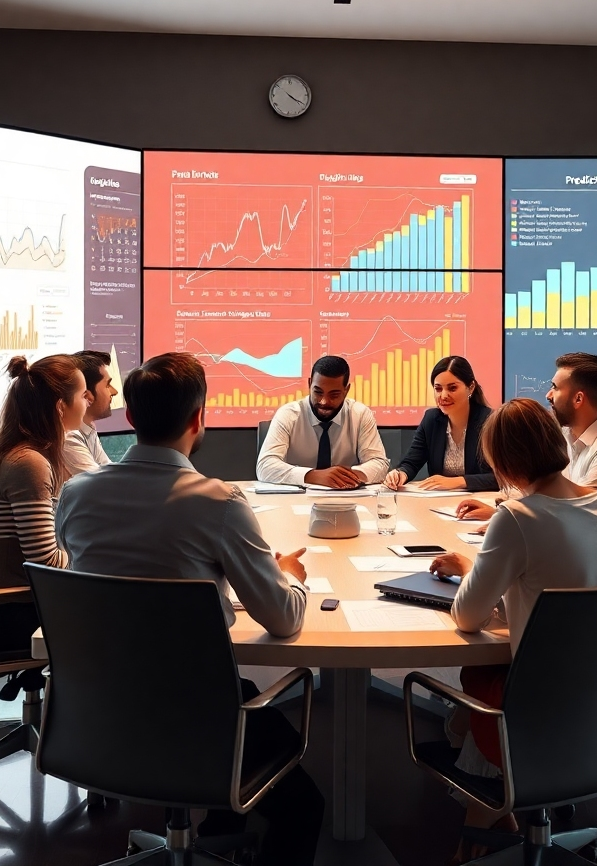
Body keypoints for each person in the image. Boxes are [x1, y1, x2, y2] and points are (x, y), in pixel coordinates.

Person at [55, 352, 323, 866]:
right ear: (199, 418)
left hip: (97, 715)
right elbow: (284, 619)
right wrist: (289, 575)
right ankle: (224, 830)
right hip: (200, 723)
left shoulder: (76, 494)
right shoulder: (218, 501)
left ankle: (218, 830)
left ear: (131, 417)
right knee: (306, 807)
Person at [426, 398, 597, 857]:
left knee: (480, 681)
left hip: (543, 706)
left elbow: (468, 616)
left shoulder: (518, 517)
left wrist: (472, 569)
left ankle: (480, 827)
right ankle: (495, 813)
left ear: (505, 463)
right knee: (484, 685)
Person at [0, 354, 89, 651]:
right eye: (83, 395)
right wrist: (91, 554)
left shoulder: (19, 451)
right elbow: (46, 563)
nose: (88, 401)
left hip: (3, 607)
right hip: (7, 614)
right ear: (61, 407)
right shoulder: (28, 464)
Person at [256, 355, 389, 489]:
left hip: (345, 497)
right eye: (318, 392)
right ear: (310, 384)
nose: (324, 401)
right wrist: (314, 476)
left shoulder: (360, 414)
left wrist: (344, 477)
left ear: (346, 390)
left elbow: (379, 463)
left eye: (334, 395)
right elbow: (265, 466)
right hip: (297, 498)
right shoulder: (288, 414)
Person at [383, 356, 497, 491]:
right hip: (440, 500)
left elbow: (502, 477)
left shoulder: (489, 422)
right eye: (438, 389)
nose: (443, 396)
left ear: (471, 387)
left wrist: (458, 482)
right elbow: (411, 463)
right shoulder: (431, 419)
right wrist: (400, 474)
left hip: (481, 500)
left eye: (452, 388)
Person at [547, 352, 597, 486]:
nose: (548, 395)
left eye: (555, 387)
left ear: (578, 399)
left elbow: (581, 500)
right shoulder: (562, 436)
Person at [63, 349, 118, 476]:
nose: (114, 392)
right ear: (86, 395)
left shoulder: (88, 428)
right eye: (107, 385)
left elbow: (108, 472)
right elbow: (101, 483)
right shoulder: (69, 437)